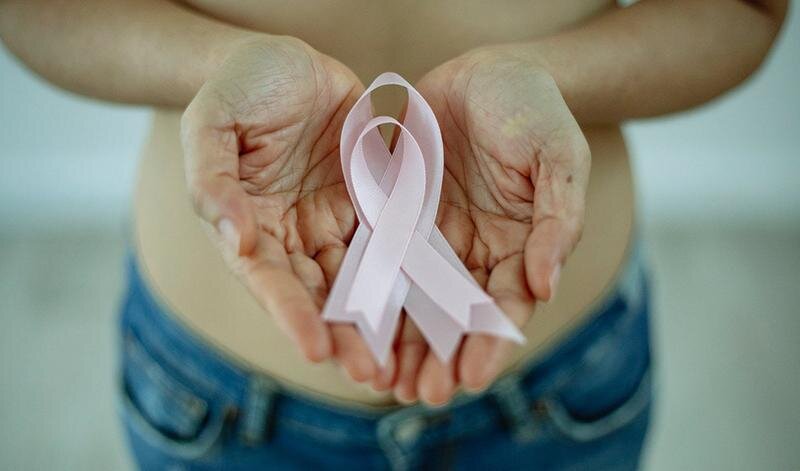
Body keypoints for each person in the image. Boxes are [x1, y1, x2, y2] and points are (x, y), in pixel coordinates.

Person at [0, 0, 787, 469]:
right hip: (219, 395)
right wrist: (219, 64)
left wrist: (549, 73)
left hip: (557, 382)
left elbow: (745, 9)